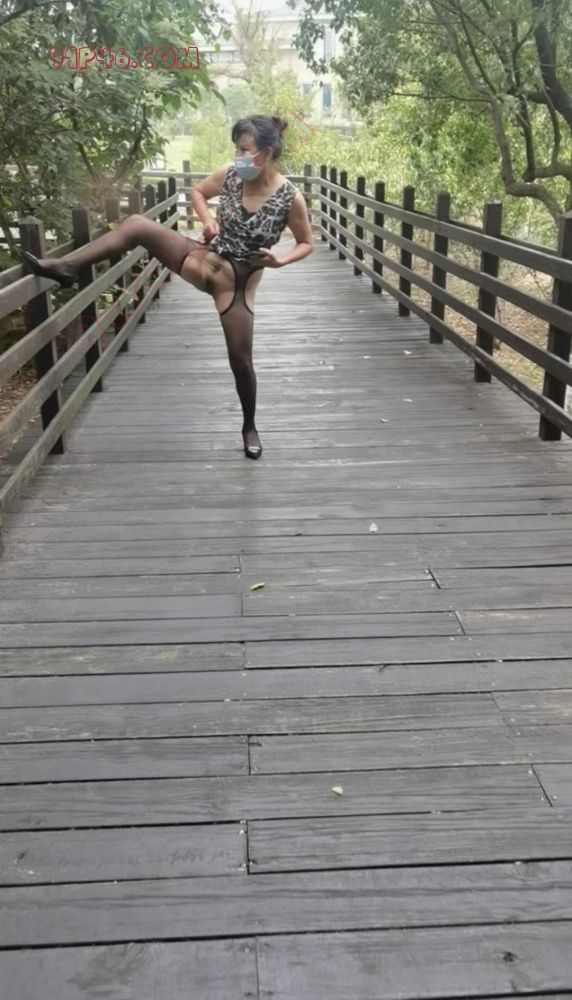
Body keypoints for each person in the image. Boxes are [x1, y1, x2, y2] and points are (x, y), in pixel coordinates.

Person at [20, 114, 315, 459]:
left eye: (244, 150)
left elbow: (306, 242)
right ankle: (68, 267)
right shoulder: (231, 174)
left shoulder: (289, 197)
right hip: (201, 260)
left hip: (235, 286)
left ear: (267, 152)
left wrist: (281, 260)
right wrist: (207, 220)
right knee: (136, 225)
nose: (238, 156)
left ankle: (250, 426)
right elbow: (198, 192)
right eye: (236, 148)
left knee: (242, 362)